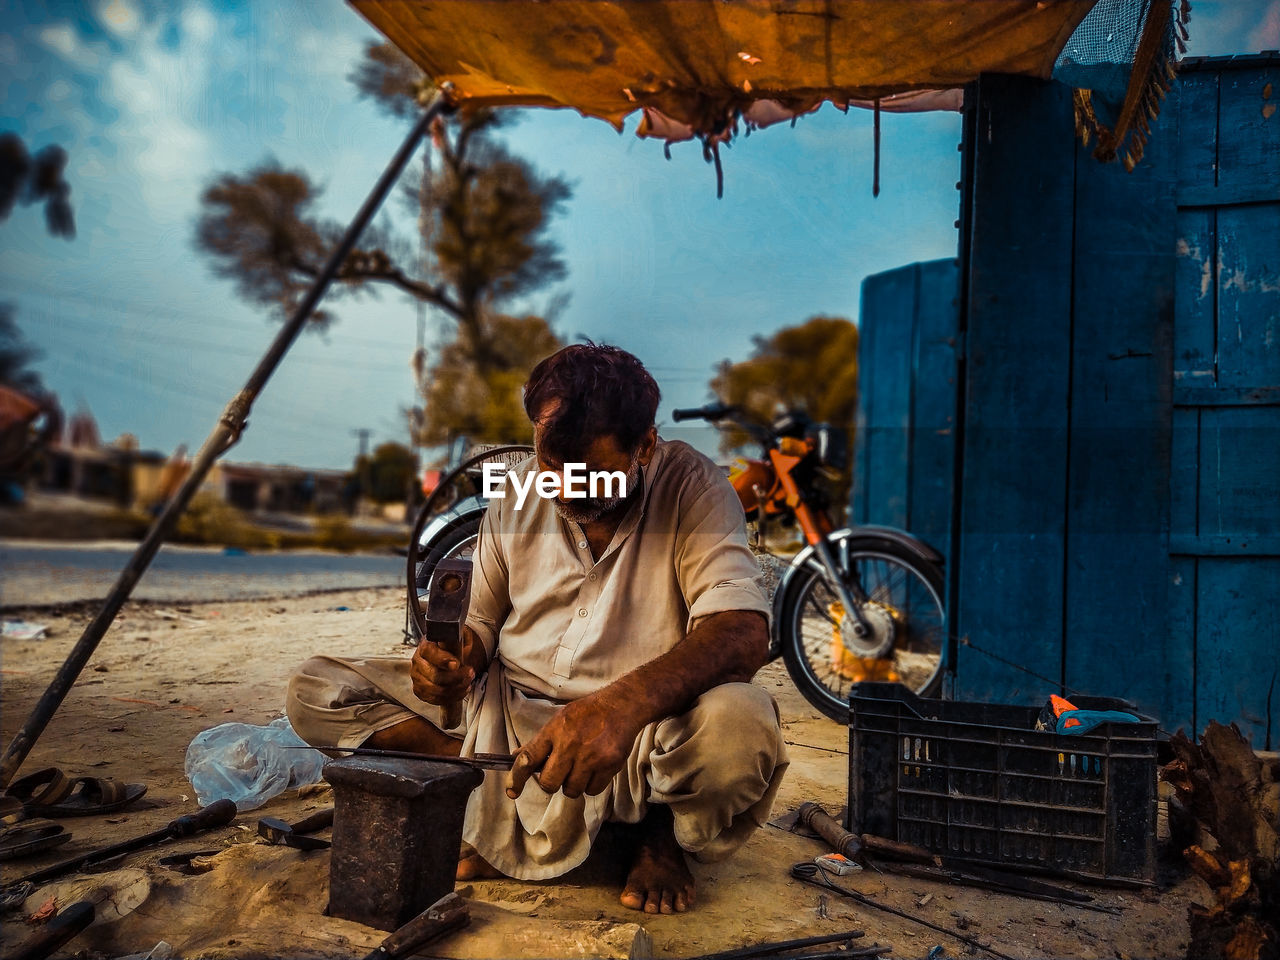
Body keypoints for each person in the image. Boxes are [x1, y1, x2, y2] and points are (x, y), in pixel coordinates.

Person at [286, 344, 788, 915]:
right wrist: (458, 659)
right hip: (506, 719)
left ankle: (653, 832)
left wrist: (616, 710)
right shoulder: (522, 489)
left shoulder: (693, 487)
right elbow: (481, 618)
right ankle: (500, 786)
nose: (566, 489)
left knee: (741, 728)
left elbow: (741, 633)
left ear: (644, 446)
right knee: (316, 689)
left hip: (640, 737)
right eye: (552, 466)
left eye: (590, 473)